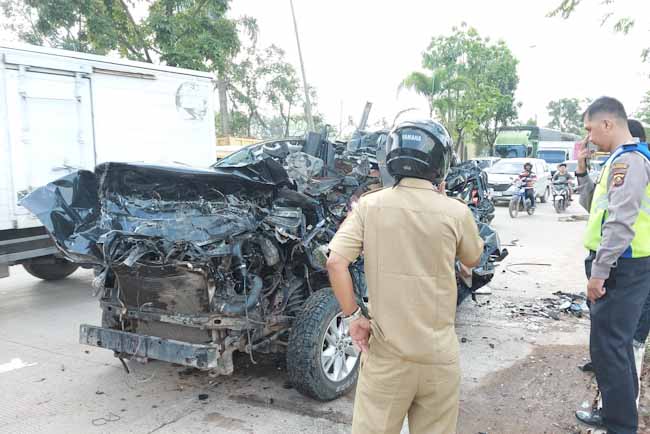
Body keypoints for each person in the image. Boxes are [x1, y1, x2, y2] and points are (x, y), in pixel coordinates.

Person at [326, 119, 483, 434]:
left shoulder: (369, 207)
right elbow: (473, 258)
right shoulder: (456, 212)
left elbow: (336, 262)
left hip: (387, 354)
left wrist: (354, 316)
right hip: (438, 357)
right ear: (440, 163)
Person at [574, 97, 650, 434]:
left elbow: (620, 223)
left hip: (622, 267)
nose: (589, 137)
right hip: (627, 265)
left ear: (608, 124)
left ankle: (620, 425)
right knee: (615, 347)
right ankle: (619, 414)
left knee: (608, 348)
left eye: (590, 128)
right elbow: (596, 206)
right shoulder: (620, 160)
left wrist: (600, 272)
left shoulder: (628, 163)